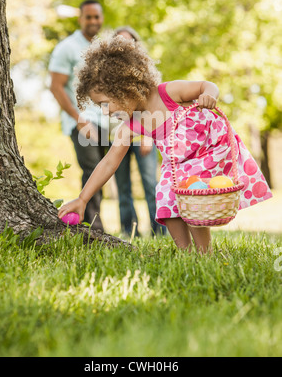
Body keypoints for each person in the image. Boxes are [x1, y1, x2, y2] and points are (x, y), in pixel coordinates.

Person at [57, 35, 272, 253]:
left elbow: (206, 85)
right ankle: (185, 252)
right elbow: (108, 163)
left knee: (189, 196)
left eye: (105, 104)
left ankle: (204, 253)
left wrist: (209, 95)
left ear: (123, 88)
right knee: (166, 197)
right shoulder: (131, 126)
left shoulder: (168, 93)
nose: (105, 112)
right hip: (179, 166)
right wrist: (83, 198)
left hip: (209, 151)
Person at [49, 0, 109, 230]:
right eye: (89, 17)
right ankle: (93, 225)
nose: (93, 21)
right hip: (82, 120)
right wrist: (79, 119)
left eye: (97, 17)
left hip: (105, 120)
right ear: (80, 18)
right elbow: (56, 86)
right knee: (92, 167)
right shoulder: (67, 47)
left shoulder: (103, 47)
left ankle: (93, 220)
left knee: (102, 171)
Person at [113, 26, 166, 236]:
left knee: (150, 184)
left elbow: (152, 105)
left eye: (127, 40)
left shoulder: (144, 71)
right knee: (123, 188)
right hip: (117, 136)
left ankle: (160, 230)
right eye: (118, 41)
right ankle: (129, 230)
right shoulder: (107, 73)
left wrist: (146, 137)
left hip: (143, 135)